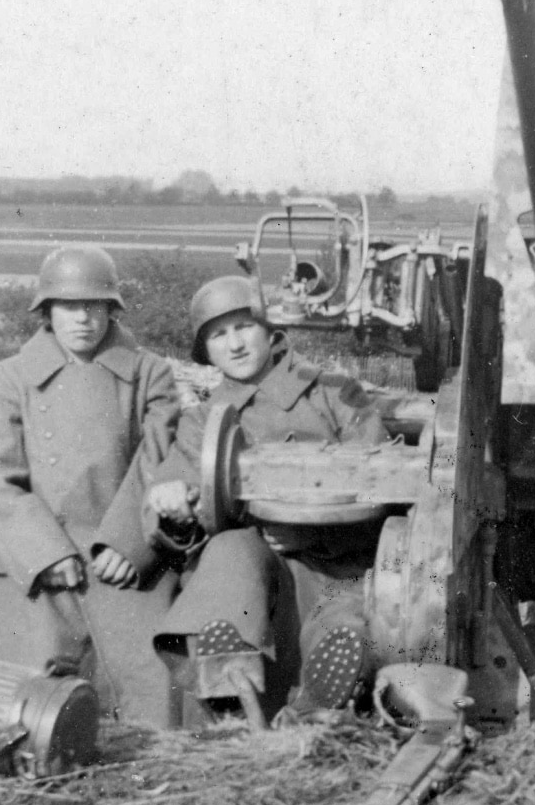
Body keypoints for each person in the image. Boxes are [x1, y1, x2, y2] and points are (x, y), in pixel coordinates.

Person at [144, 275, 388, 728]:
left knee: (344, 629)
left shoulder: (334, 394)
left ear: (271, 332)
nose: (234, 345)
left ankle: (316, 707)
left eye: (244, 328)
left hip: (337, 567)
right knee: (228, 553)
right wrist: (172, 503)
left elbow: (383, 488)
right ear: (206, 352)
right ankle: (229, 678)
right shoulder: (204, 421)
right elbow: (176, 487)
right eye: (218, 335)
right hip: (255, 581)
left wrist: (313, 530)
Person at [0, 245, 181, 727]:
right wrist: (45, 553)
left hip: (125, 561)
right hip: (39, 564)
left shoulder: (150, 374)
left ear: (112, 309)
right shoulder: (11, 378)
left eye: (95, 305)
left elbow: (160, 463)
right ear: (46, 311)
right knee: (20, 707)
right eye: (68, 306)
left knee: (150, 698)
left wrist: (130, 544)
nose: (83, 318)